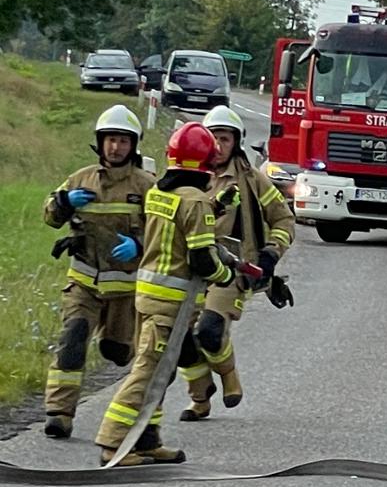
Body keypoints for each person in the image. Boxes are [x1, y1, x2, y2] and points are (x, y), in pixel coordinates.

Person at [93, 123, 246, 465]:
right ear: (206, 161)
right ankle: (112, 443)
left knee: (162, 373)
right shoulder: (195, 202)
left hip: (147, 296)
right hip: (170, 304)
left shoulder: (161, 192)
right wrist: (225, 274)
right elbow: (202, 259)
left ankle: (146, 440)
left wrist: (215, 207)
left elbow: (181, 221)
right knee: (147, 372)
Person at [41, 105, 153, 439]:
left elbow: (165, 233)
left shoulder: (147, 185)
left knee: (118, 352)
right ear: (99, 142)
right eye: (109, 140)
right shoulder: (80, 179)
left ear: (133, 145)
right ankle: (59, 413)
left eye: (122, 141)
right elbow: (50, 217)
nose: (115, 147)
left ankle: (117, 347)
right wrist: (63, 202)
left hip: (126, 291)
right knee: (73, 338)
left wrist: (140, 243)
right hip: (84, 282)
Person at [178, 106, 293, 422]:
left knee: (210, 332)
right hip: (187, 270)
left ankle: (228, 375)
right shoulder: (186, 177)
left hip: (231, 272)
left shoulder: (253, 180)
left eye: (224, 139)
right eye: (212, 138)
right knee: (180, 340)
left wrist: (270, 255)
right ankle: (200, 397)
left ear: (237, 142)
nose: (217, 145)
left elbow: (283, 219)